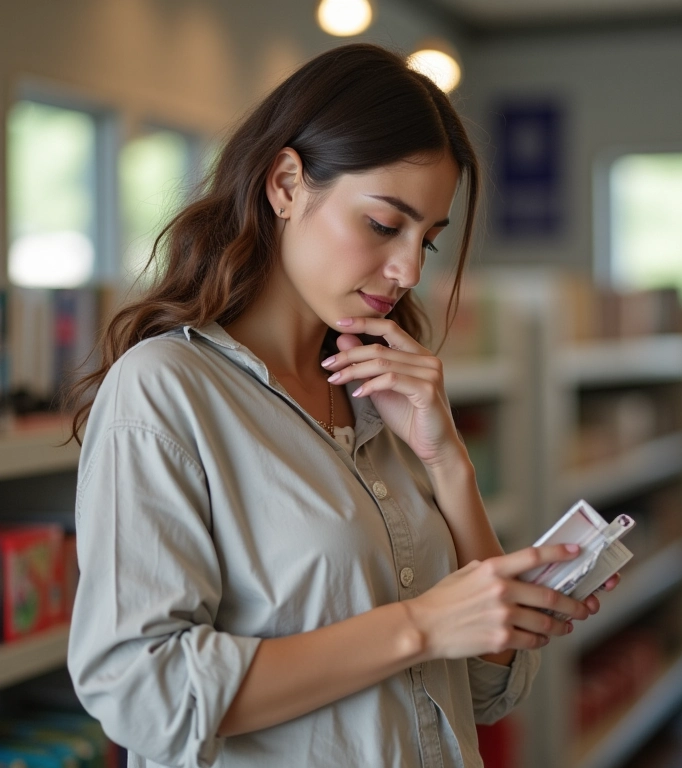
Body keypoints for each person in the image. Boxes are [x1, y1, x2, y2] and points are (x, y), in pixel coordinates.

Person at [66, 42, 618, 768]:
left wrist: (447, 461)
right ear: (288, 183)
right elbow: (142, 692)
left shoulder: (385, 391)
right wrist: (419, 626)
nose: (409, 269)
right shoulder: (166, 390)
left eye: (429, 239)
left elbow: (491, 689)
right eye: (385, 225)